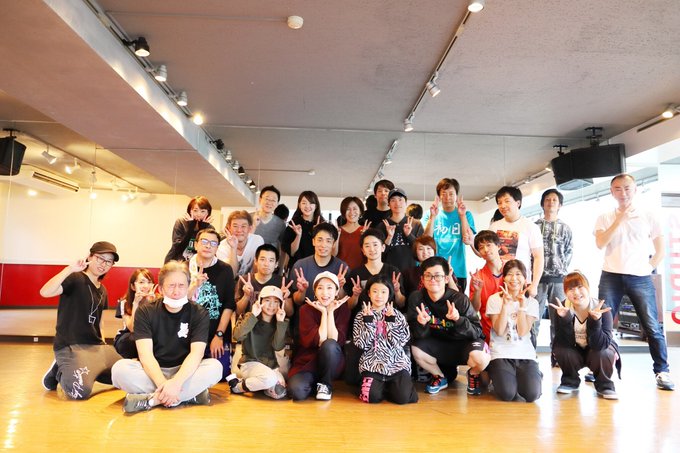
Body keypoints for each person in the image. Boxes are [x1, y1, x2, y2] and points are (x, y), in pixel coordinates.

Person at [594, 173, 673, 390]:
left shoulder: (648, 215)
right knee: (603, 324)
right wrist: (619, 220)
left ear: (635, 189)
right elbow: (600, 243)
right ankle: (599, 368)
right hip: (610, 275)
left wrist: (646, 268)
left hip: (640, 278)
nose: (623, 193)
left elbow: (660, 250)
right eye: (618, 189)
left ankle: (662, 371)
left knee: (652, 326)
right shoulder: (604, 217)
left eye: (627, 188)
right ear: (611, 192)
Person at [111, 261, 222, 413]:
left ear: (188, 286)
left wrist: (176, 383)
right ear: (161, 288)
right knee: (119, 370)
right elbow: (145, 355)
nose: (176, 291)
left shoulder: (199, 312)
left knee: (215, 367)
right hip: (153, 371)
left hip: (184, 372)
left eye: (181, 286)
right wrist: (164, 384)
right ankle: (189, 396)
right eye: (171, 286)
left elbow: (196, 354)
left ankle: (152, 400)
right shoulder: (145, 312)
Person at [40, 241, 122, 399]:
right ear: (90, 257)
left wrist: (103, 344)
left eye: (109, 261)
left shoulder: (103, 290)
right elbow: (45, 292)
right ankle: (59, 370)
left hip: (96, 347)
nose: (103, 264)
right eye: (100, 258)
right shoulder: (75, 278)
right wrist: (69, 269)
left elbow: (99, 322)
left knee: (124, 375)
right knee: (79, 391)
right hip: (72, 345)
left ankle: (88, 370)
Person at [407, 256, 489, 396]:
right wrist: (421, 324)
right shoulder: (416, 298)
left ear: (446, 279)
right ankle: (440, 377)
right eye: (428, 276)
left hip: (463, 345)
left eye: (438, 276)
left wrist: (458, 319)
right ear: (422, 279)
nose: (433, 280)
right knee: (416, 348)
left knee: (481, 357)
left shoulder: (459, 299)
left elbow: (477, 331)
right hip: (439, 346)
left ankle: (473, 374)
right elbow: (418, 335)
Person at [343, 228, 405, 386]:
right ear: (362, 250)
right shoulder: (356, 273)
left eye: (375, 245)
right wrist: (355, 295)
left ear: (383, 247)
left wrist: (397, 291)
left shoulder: (393, 272)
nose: (372, 249)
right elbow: (349, 306)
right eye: (367, 245)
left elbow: (402, 303)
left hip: (388, 327)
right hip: (364, 328)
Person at [549, 272, 621, 399]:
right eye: (571, 289)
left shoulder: (601, 308)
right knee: (561, 350)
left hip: (596, 349)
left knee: (603, 352)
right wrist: (565, 319)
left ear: (588, 288)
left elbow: (602, 344)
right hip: (574, 349)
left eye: (580, 287)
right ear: (565, 292)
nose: (576, 292)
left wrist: (596, 321)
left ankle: (605, 385)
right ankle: (570, 381)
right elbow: (563, 342)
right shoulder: (562, 309)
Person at [353, 275, 418, 404]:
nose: (379, 296)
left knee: (403, 398)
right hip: (372, 365)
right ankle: (381, 387)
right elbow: (362, 344)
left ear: (389, 294)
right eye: (375, 291)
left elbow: (399, 343)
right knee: (371, 398)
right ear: (369, 293)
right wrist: (368, 322)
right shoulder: (361, 315)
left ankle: (391, 387)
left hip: (396, 364)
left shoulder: (397, 315)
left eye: (383, 292)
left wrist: (390, 322)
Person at [485, 260, 542, 402]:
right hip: (501, 353)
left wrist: (522, 307)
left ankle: (534, 374)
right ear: (504, 278)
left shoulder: (532, 303)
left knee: (532, 395)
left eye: (518, 274)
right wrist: (505, 306)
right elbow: (499, 330)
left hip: (525, 355)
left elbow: (522, 332)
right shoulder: (494, 299)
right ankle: (495, 375)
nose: (514, 278)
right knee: (507, 394)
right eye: (509, 274)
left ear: (525, 278)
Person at [288, 272, 350, 401]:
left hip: (331, 362)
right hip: (308, 363)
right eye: (320, 288)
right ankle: (316, 385)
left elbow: (333, 340)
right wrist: (323, 312)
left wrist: (330, 312)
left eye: (329, 288)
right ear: (315, 292)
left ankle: (326, 384)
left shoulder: (343, 310)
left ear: (336, 292)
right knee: (297, 392)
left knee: (330, 345)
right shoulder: (305, 309)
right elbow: (320, 340)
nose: (325, 292)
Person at [228, 286, 290, 399]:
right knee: (270, 379)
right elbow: (237, 336)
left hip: (270, 366)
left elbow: (277, 346)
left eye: (276, 302)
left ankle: (260, 385)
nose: (271, 305)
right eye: (267, 300)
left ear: (280, 304)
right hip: (250, 363)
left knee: (279, 392)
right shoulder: (249, 316)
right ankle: (237, 386)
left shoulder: (280, 321)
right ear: (260, 301)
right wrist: (253, 315)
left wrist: (280, 322)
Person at [190, 228, 236, 379]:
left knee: (221, 374)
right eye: (204, 241)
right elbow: (178, 301)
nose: (208, 245)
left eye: (213, 243)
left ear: (217, 248)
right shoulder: (185, 268)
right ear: (196, 244)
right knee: (187, 369)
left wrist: (219, 335)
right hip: (189, 334)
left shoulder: (225, 270)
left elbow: (229, 305)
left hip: (215, 332)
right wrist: (194, 285)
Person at [534, 189, 573, 348]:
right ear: (542, 204)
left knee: (558, 318)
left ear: (560, 205)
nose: (551, 202)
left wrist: (560, 269)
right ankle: (530, 353)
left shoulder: (565, 228)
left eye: (554, 200)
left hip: (558, 280)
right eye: (547, 200)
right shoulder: (534, 227)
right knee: (533, 318)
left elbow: (569, 251)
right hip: (537, 279)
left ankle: (557, 353)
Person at [422, 178, 476, 291]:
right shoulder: (430, 214)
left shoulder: (466, 214)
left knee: (457, 300)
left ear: (456, 195)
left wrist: (462, 216)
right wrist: (433, 217)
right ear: (439, 196)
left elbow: (467, 240)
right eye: (444, 194)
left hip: (458, 270)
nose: (447, 198)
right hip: (434, 270)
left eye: (451, 194)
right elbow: (425, 239)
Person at [490, 186, 544, 298]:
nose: (502, 206)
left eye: (507, 201)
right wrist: (471, 243)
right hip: (497, 280)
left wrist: (534, 284)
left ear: (518, 203)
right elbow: (487, 253)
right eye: (499, 202)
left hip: (520, 282)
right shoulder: (494, 227)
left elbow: (538, 256)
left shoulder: (530, 226)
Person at [290, 223, 348, 305]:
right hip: (306, 311)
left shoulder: (342, 268)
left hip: (332, 312)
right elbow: (297, 301)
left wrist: (340, 287)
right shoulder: (300, 266)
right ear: (313, 241)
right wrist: (302, 291)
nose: (323, 245)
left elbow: (345, 302)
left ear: (334, 244)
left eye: (328, 241)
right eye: (320, 240)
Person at [377, 188, 424, 273]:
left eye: (400, 199)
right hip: (388, 272)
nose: (397, 203)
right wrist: (389, 237)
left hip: (411, 272)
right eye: (393, 200)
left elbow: (421, 249)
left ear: (406, 202)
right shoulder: (382, 226)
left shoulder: (416, 224)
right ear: (388, 204)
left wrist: (409, 235)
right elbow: (379, 253)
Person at [468, 230, 504, 344]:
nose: (486, 250)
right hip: (489, 333)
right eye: (481, 247)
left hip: (512, 331)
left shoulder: (512, 271)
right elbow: (474, 310)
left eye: (489, 245)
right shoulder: (477, 277)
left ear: (498, 246)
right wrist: (477, 291)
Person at [113, 269, 156, 359]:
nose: (146, 286)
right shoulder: (124, 303)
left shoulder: (158, 301)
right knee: (133, 339)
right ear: (133, 286)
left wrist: (151, 304)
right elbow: (132, 328)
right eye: (141, 282)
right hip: (128, 337)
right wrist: (136, 303)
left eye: (149, 282)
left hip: (149, 335)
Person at [281, 191, 324, 270]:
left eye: (311, 203)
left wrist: (318, 233)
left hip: (317, 267)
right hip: (297, 267)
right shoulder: (293, 224)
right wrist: (298, 235)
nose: (307, 206)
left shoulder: (322, 224)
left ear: (316, 206)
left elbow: (325, 250)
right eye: (304, 203)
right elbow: (292, 252)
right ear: (299, 205)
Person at [164, 196, 215, 263]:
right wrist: (191, 228)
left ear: (208, 213)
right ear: (190, 211)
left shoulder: (210, 228)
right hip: (175, 261)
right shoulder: (181, 222)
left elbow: (203, 249)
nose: (198, 214)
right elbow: (178, 248)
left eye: (203, 211)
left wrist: (202, 229)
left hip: (196, 263)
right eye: (195, 210)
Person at [217, 210, 264, 277]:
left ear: (249, 228)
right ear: (229, 228)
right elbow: (231, 274)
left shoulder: (257, 240)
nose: (239, 230)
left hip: (251, 281)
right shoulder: (222, 247)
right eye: (235, 226)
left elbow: (259, 270)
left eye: (243, 226)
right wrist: (233, 248)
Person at [334, 196, 366, 270]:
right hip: (340, 272)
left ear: (360, 211)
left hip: (361, 272)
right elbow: (333, 254)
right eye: (348, 209)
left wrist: (365, 237)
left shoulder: (367, 230)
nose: (351, 212)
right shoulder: (337, 231)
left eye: (355, 209)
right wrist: (337, 236)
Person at [252, 185, 287, 250]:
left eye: (273, 200)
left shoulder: (280, 224)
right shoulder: (248, 218)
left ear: (277, 204)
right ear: (260, 200)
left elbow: (283, 246)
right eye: (267, 199)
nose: (269, 202)